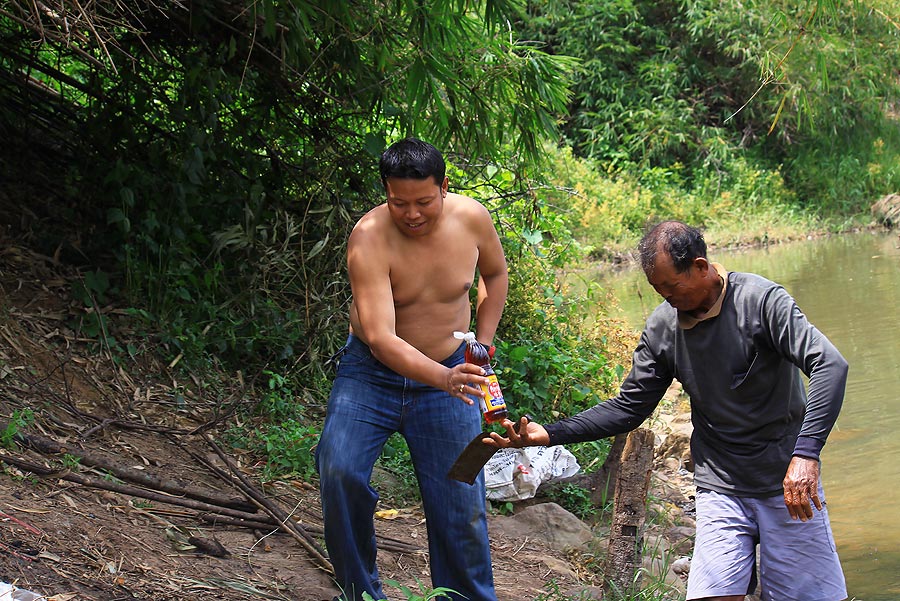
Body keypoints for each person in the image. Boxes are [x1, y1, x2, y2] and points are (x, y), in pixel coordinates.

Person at [487, 221, 848, 601]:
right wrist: (549, 434)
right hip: (720, 483)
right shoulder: (663, 327)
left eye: (673, 286)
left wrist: (806, 455)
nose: (667, 297)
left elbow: (829, 364)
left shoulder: (761, 302)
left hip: (787, 481)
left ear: (701, 266)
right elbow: (629, 407)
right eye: (658, 289)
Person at [316, 138, 507, 601]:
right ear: (385, 192)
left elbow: (495, 275)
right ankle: (361, 593)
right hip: (371, 375)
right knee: (338, 467)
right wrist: (442, 377)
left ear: (444, 186)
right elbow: (381, 338)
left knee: (461, 497)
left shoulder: (472, 219)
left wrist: (484, 340)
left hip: (453, 374)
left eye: (424, 201)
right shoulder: (368, 236)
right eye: (399, 202)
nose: (413, 214)